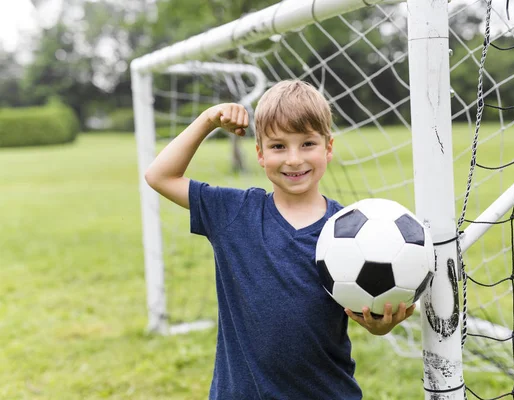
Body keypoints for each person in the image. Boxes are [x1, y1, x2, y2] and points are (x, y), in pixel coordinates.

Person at [144, 80, 416, 399]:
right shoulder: (233, 212)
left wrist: (379, 323)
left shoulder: (350, 230)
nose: (293, 159)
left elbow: (368, 303)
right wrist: (208, 120)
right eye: (278, 146)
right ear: (260, 154)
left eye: (307, 144)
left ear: (328, 148)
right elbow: (160, 176)